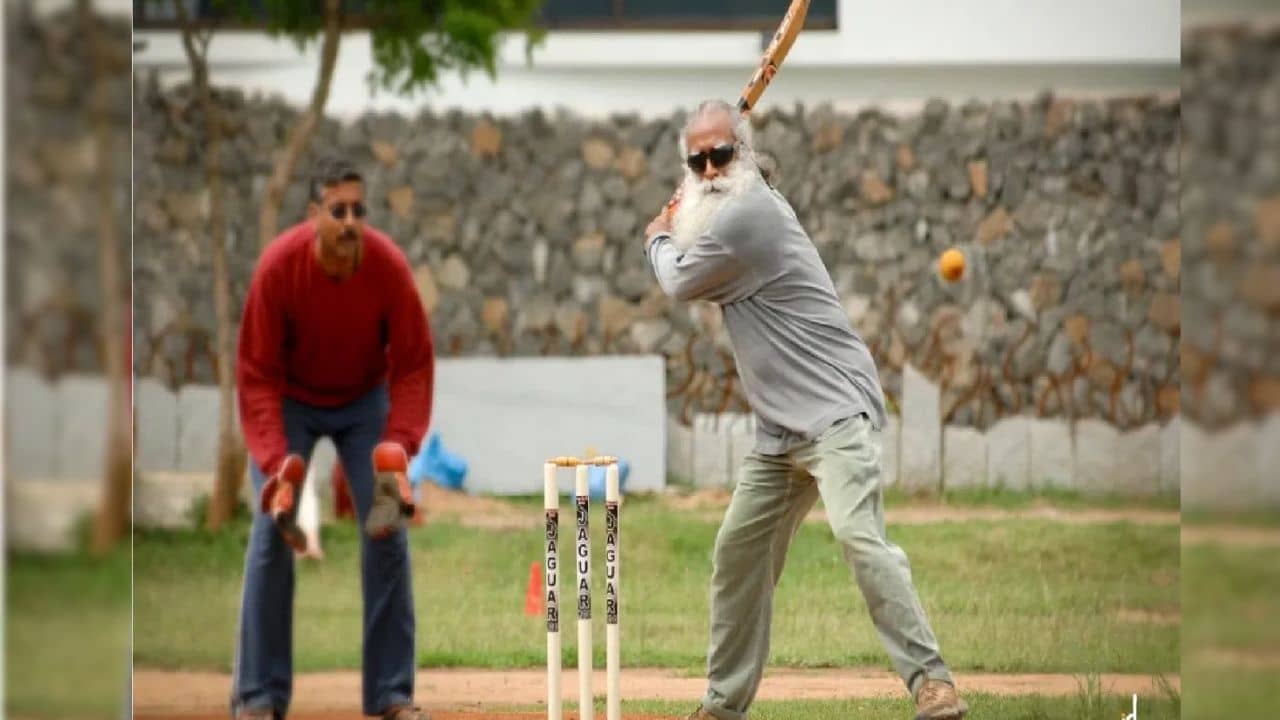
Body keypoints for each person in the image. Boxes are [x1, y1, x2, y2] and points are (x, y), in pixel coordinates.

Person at [642, 100, 968, 720]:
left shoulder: (749, 217)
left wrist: (656, 235)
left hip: (837, 410)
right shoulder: (734, 203)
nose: (710, 168)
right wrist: (687, 213)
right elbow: (708, 228)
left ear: (742, 152)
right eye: (697, 160)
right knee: (738, 552)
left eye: (722, 154)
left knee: (857, 535)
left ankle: (933, 683)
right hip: (781, 431)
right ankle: (722, 705)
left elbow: (679, 279)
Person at [232, 157, 434, 720]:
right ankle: (258, 696)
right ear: (313, 214)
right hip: (290, 397)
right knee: (274, 530)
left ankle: (392, 695)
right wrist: (276, 465)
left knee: (387, 525)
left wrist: (399, 447)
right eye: (337, 210)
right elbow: (256, 374)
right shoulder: (279, 268)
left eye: (358, 210)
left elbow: (413, 365)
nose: (350, 221)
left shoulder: (387, 268)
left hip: (365, 402)